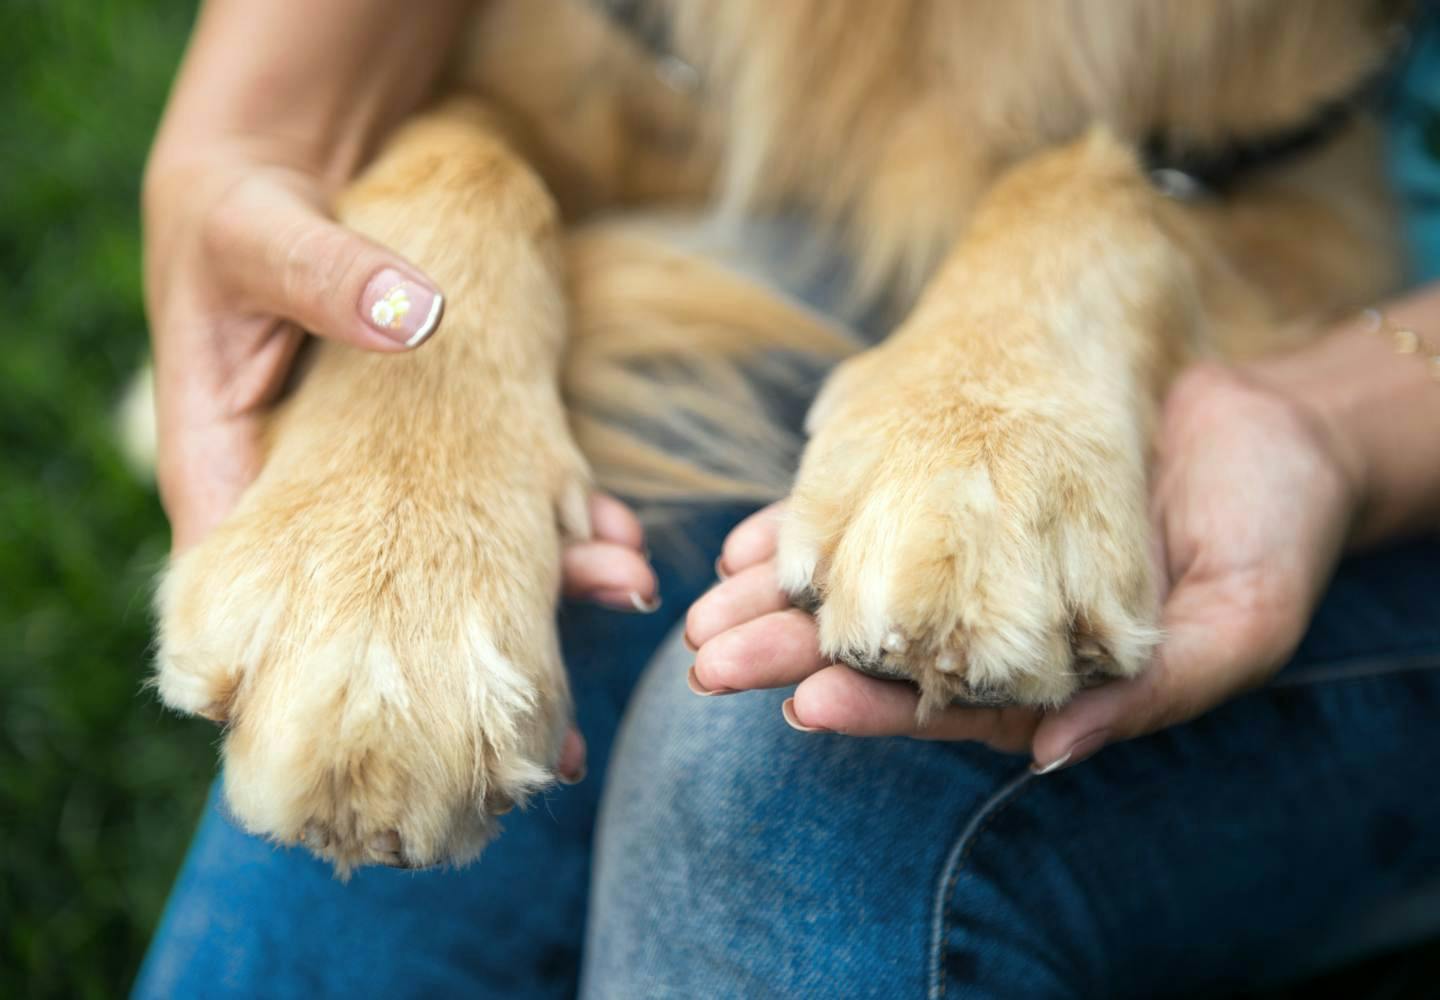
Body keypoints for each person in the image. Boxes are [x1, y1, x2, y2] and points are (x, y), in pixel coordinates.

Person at [135, 1, 1440, 996]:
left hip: (1387, 360)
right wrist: (302, 170)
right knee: (483, 642)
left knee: (791, 766)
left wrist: (1317, 422)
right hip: (832, 215)